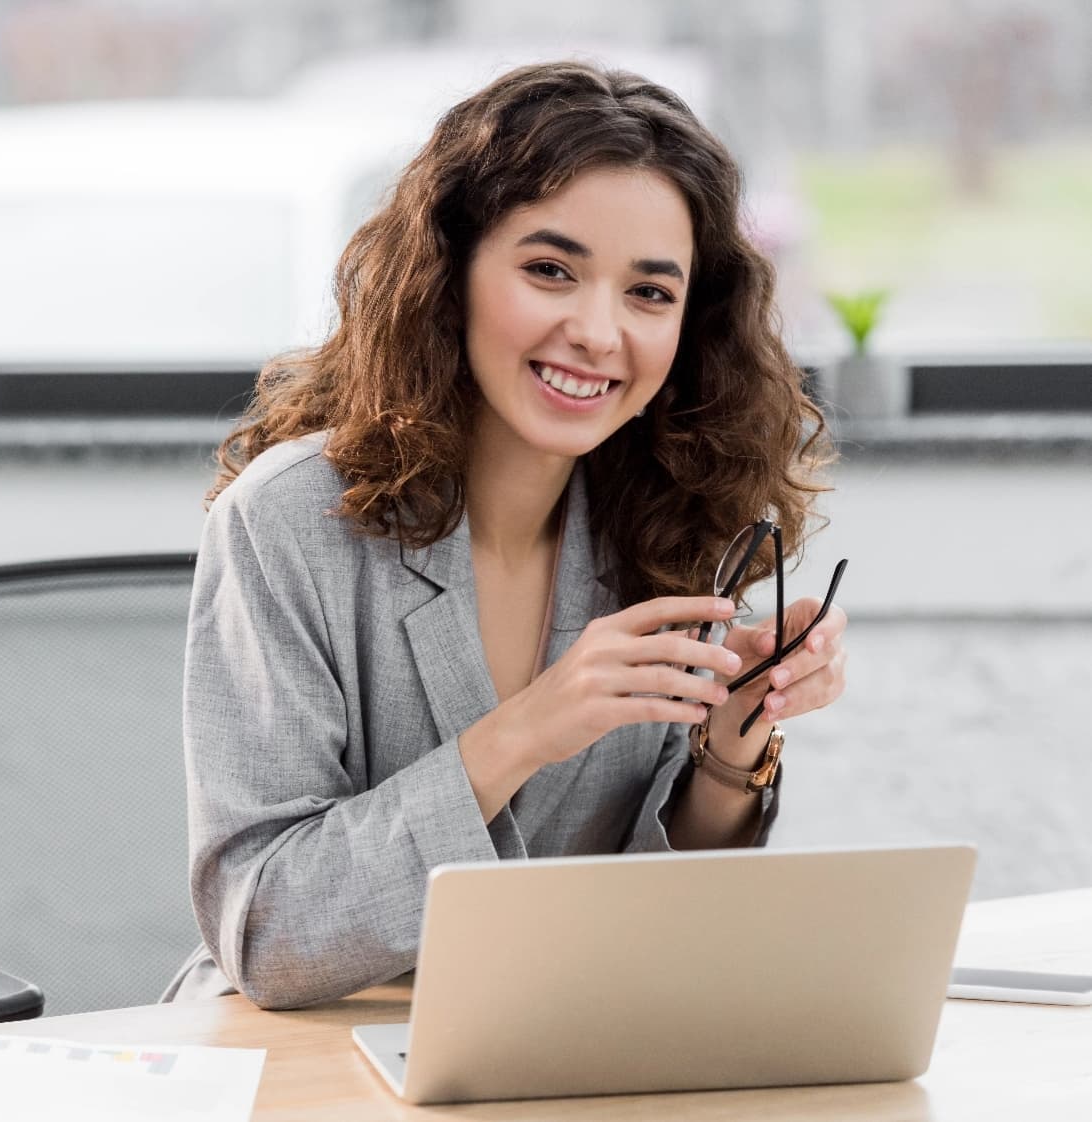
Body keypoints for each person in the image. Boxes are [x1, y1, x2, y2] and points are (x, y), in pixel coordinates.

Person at [164, 60, 846, 1011]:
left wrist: (732, 749)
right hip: (309, 1058)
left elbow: (651, 914)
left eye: (649, 294)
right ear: (451, 273)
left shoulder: (669, 520)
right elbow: (270, 933)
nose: (598, 333)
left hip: (554, 1047)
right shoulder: (288, 524)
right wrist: (525, 730)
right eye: (550, 270)